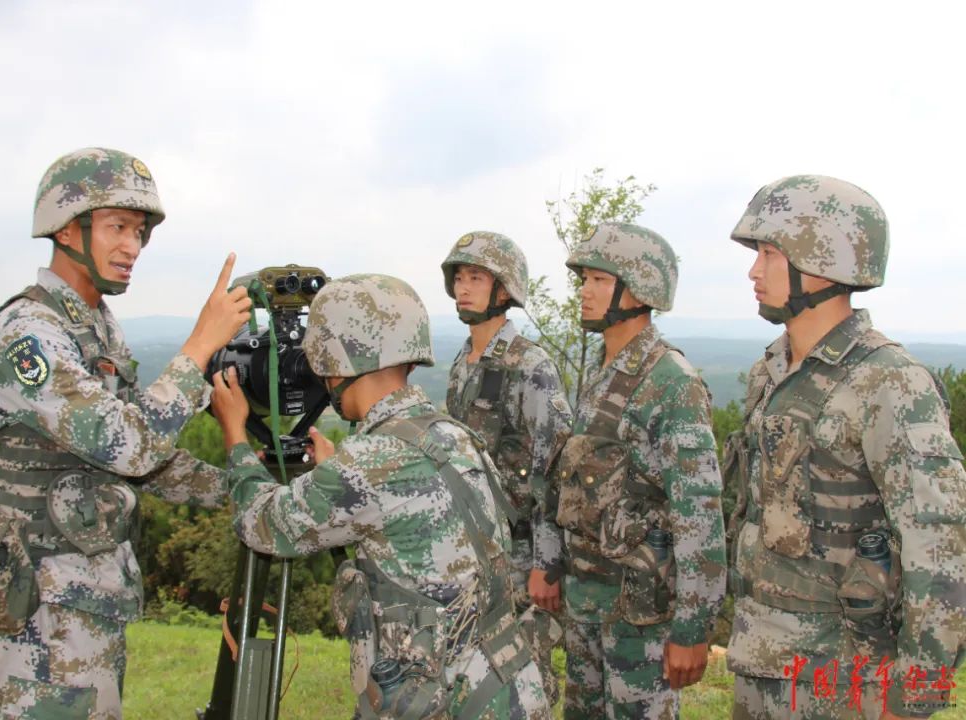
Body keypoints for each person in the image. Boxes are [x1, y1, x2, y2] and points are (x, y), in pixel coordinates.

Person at [0, 147, 251, 719]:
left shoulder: (96, 327)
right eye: (117, 227)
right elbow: (125, 443)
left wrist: (247, 484)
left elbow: (150, 461)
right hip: (42, 611)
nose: (131, 246)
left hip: (88, 598)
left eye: (139, 232)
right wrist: (200, 346)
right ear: (66, 228)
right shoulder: (28, 334)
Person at [211, 273, 551, 719]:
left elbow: (264, 525)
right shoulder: (449, 432)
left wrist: (235, 434)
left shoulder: (370, 464)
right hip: (506, 686)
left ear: (336, 358)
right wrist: (339, 471)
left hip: (446, 701)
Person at [724, 174, 966, 719]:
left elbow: (942, 546)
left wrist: (916, 697)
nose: (753, 271)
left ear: (822, 260)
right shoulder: (774, 369)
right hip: (762, 661)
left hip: (846, 679)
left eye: (767, 252)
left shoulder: (890, 383)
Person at [555, 223, 726, 719]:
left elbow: (698, 513)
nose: (585, 291)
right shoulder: (605, 372)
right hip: (589, 603)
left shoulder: (670, 382)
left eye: (599, 280)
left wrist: (693, 628)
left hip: (639, 616)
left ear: (642, 288)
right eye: (584, 279)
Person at [440, 231, 572, 705]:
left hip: (519, 558)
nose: (463, 288)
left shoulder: (530, 365)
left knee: (523, 684)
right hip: (473, 553)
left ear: (504, 290)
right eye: (459, 277)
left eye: (476, 278)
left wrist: (548, 563)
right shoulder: (463, 361)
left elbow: (554, 469)